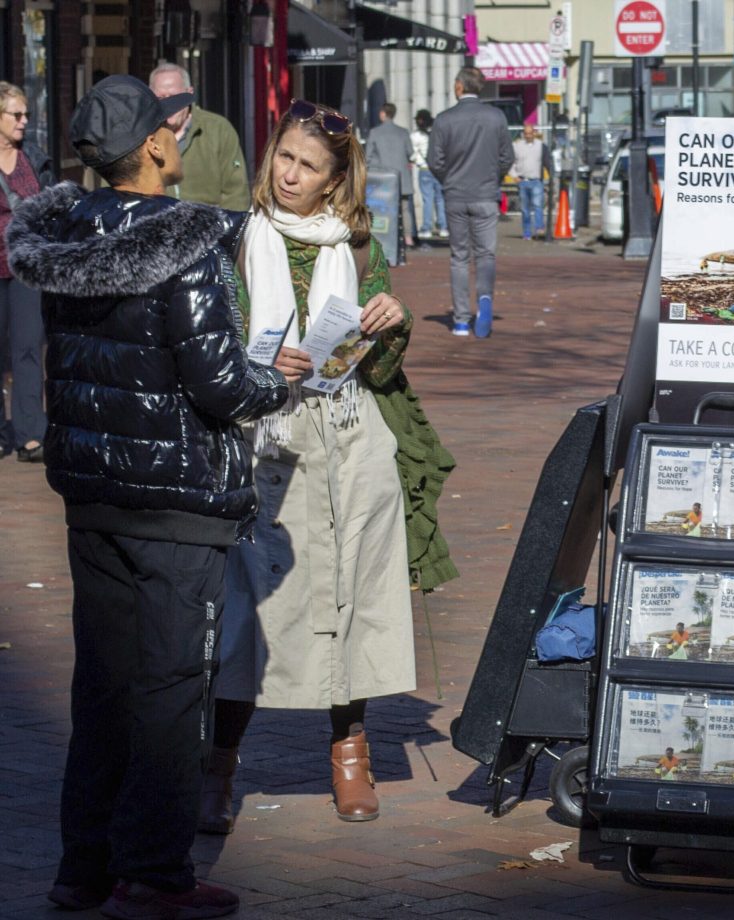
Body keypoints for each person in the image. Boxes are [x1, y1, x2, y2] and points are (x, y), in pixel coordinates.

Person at [7, 74, 289, 917]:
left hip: (93, 491)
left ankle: (83, 866)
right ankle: (154, 873)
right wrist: (276, 383)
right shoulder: (185, 243)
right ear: (159, 147)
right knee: (171, 689)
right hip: (173, 496)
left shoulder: (63, 241)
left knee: (103, 684)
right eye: (171, 131)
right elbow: (218, 385)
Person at [204, 98, 455, 834]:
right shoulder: (237, 241)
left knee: (357, 596)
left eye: (308, 166)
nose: (289, 174)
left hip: (352, 436)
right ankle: (219, 766)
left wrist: (392, 322)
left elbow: (372, 366)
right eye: (284, 157)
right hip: (268, 441)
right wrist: (256, 364)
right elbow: (209, 344)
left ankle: (350, 752)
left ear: (335, 180)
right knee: (252, 608)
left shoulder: (360, 248)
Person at [428, 66, 514, 338]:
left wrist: (448, 179)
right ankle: (485, 297)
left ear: (459, 87)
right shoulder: (496, 117)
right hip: (486, 194)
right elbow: (506, 157)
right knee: (486, 254)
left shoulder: (444, 120)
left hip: (455, 194)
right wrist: (493, 177)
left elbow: (435, 161)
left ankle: (462, 319)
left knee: (460, 257)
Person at [0, 81, 48, 463]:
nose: (24, 121)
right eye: (16, 114)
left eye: (26, 113)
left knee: (28, 347)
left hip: (25, 267)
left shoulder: (32, 155)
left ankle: (30, 433)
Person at [148, 62, 249, 210]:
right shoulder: (140, 134)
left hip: (208, 227)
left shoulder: (218, 129)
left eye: (175, 96)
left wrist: (225, 230)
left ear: (189, 93)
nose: (169, 103)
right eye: (161, 97)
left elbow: (236, 192)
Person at [365, 102, 416, 254]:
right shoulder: (404, 132)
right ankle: (408, 238)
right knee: (405, 209)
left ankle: (382, 237)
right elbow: (410, 152)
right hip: (402, 177)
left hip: (383, 178)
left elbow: (367, 156)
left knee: (381, 209)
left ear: (382, 114)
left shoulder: (375, 132)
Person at [512, 123, 552, 241]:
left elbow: (547, 161)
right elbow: (510, 162)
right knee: (525, 209)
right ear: (523, 134)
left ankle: (539, 227)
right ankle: (527, 233)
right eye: (526, 133)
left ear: (534, 133)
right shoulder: (517, 146)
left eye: (530, 133)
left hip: (536, 180)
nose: (528, 135)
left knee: (537, 204)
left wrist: (551, 176)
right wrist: (514, 175)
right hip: (523, 181)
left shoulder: (541, 146)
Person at [411, 109, 446, 239]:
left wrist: (418, 161)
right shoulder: (438, 134)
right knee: (440, 199)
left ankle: (426, 227)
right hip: (439, 169)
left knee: (427, 199)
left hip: (425, 170)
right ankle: (443, 227)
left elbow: (412, 154)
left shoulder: (416, 136)